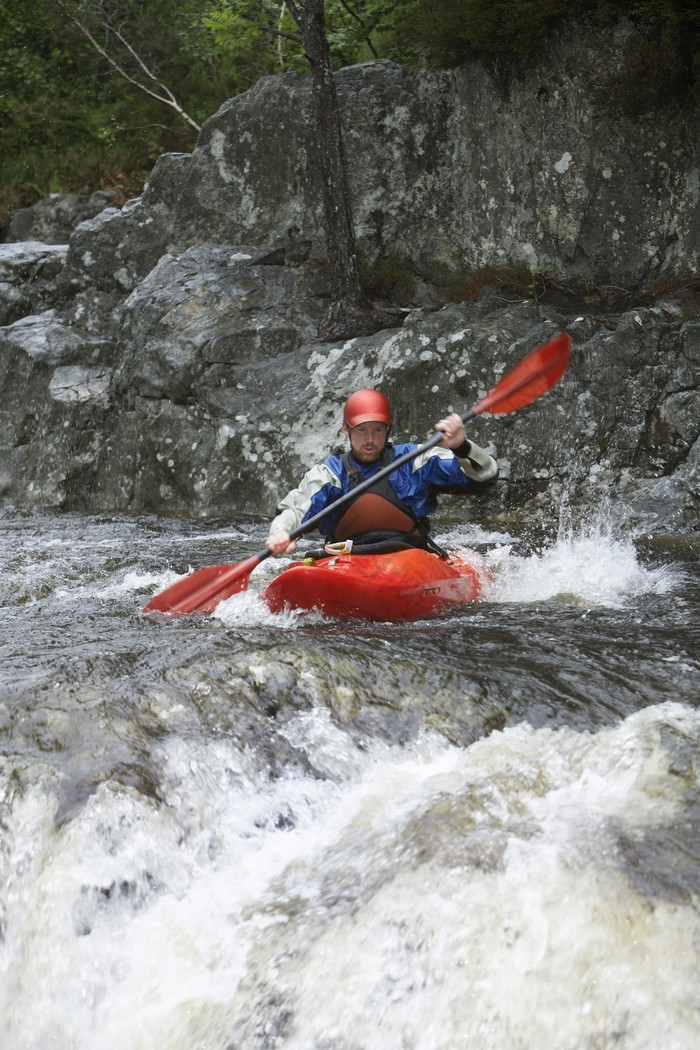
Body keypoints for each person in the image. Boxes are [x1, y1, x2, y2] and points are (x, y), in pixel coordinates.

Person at [266, 388, 498, 556]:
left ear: (388, 429)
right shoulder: (330, 474)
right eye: (362, 430)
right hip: (347, 559)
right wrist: (281, 531)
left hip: (410, 557)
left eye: (378, 430)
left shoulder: (415, 460)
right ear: (346, 429)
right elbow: (296, 508)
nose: (369, 440)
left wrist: (460, 446)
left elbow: (484, 477)